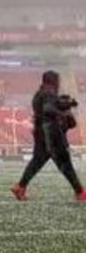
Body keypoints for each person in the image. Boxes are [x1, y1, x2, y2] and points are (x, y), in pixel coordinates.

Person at [12, 70, 86, 201]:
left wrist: (67, 104)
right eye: (57, 80)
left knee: (37, 160)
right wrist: (63, 113)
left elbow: (48, 107)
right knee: (65, 162)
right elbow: (48, 109)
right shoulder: (49, 92)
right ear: (53, 81)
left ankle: (20, 186)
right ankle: (80, 192)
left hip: (40, 132)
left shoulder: (39, 94)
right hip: (51, 132)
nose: (58, 83)